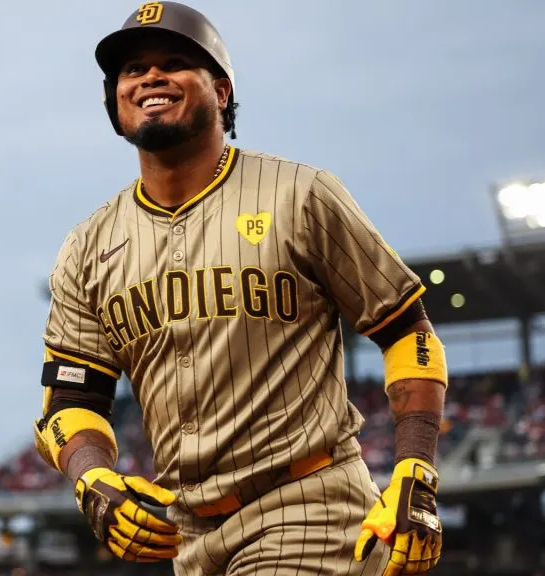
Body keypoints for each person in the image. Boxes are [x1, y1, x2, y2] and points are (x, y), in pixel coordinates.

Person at [31, 2, 447, 575]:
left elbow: (406, 331)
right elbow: (72, 400)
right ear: (114, 101)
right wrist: (92, 479)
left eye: (175, 62)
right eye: (132, 70)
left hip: (311, 508)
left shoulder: (300, 195)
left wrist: (416, 468)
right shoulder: (87, 246)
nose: (150, 77)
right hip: (190, 536)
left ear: (221, 91)